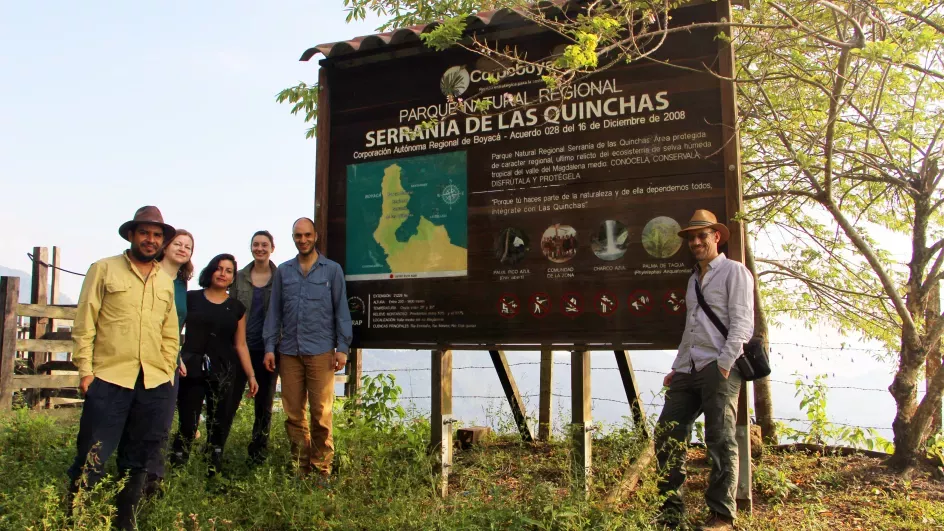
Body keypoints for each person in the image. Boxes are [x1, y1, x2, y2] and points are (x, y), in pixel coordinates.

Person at [67, 206, 179, 530]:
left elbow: (170, 332)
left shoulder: (165, 281)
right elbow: (85, 322)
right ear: (131, 234)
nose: (150, 239)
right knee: (93, 456)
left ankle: (124, 522)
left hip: (154, 383)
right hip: (109, 378)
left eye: (157, 234)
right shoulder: (103, 269)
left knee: (138, 460)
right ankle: (75, 517)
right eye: (144, 232)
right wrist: (86, 372)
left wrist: (167, 369)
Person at [655, 210, 754, 531]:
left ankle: (722, 515)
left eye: (702, 236)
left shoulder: (734, 272)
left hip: (719, 366)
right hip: (689, 367)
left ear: (717, 237)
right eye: (692, 238)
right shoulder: (692, 279)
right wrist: (678, 367)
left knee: (721, 438)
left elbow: (743, 323)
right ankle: (671, 512)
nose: (696, 242)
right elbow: (691, 328)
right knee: (667, 433)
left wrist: (725, 364)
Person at [263, 217, 352, 477]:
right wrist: (270, 347)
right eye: (298, 236)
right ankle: (300, 468)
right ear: (293, 238)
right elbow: (274, 313)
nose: (303, 240)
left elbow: (341, 311)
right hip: (289, 351)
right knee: (293, 414)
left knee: (321, 414)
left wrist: (342, 347)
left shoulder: (332, 270)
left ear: (315, 236)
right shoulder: (283, 271)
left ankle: (321, 470)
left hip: (322, 351)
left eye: (307, 235)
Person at [170, 254, 259, 476]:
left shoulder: (236, 308)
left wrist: (251, 376)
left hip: (224, 369)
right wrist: (175, 357)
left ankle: (212, 470)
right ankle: (177, 469)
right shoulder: (191, 299)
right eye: (219, 268)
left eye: (228, 270)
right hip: (190, 367)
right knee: (188, 423)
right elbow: (171, 330)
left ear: (232, 278)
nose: (223, 273)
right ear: (210, 271)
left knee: (218, 421)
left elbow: (240, 345)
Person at [145, 229, 194, 495]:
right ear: (165, 247)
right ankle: (130, 476)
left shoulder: (180, 284)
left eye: (188, 246)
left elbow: (175, 325)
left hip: (168, 362)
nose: (183, 248)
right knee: (138, 421)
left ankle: (152, 481)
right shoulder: (149, 274)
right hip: (141, 358)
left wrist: (177, 357)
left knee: (161, 423)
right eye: (177, 243)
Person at [230, 230, 279, 463]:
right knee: (229, 399)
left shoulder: (281, 277)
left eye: (264, 245)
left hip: (269, 349)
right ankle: (217, 449)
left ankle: (258, 453)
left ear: (272, 248)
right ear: (251, 248)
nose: (260, 248)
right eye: (256, 244)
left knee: (264, 404)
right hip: (241, 348)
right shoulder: (239, 277)